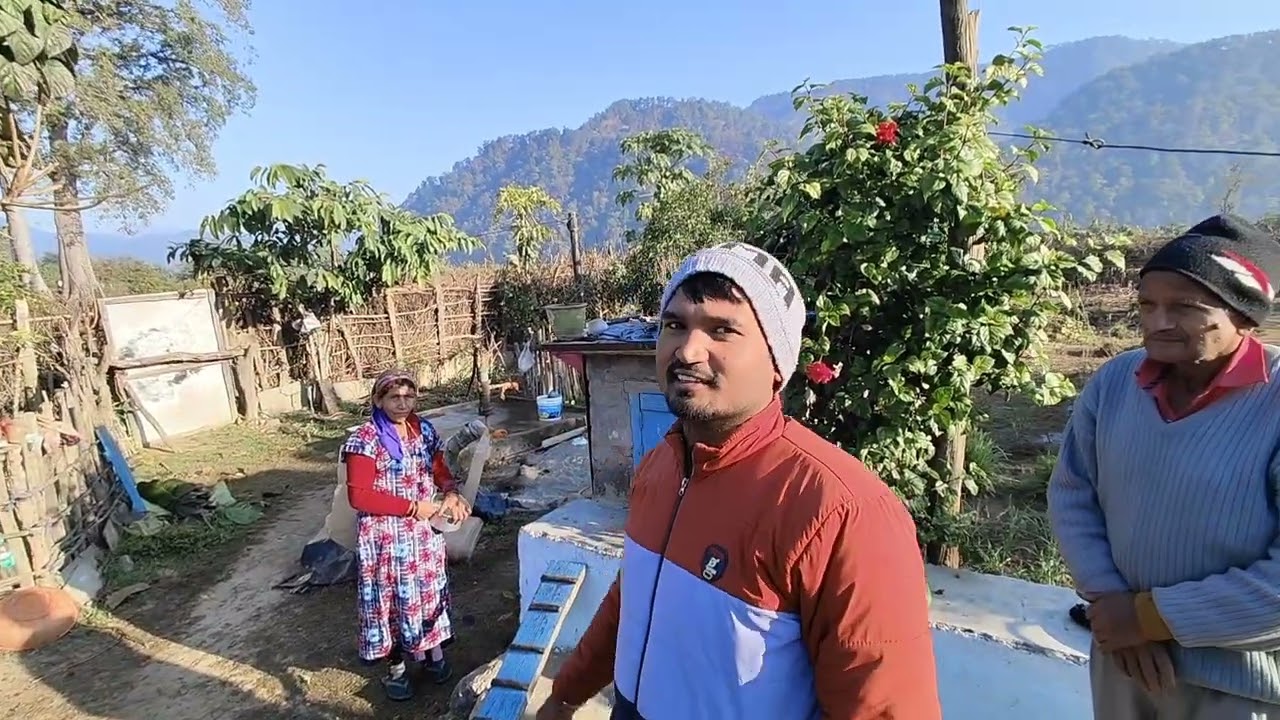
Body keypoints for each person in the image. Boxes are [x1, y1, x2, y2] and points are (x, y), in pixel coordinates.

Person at [534, 242, 940, 720]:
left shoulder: (841, 511)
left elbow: (882, 708)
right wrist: (565, 695)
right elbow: (632, 599)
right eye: (674, 325)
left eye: (722, 329)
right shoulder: (660, 466)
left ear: (776, 363)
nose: (687, 350)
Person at [1048, 213, 1280, 719]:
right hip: (1122, 663)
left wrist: (1149, 618)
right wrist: (1113, 609)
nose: (1158, 323)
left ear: (1244, 316)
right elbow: (1072, 495)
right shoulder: (1115, 384)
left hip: (1241, 690)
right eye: (1147, 305)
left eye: (1185, 307)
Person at [341, 368, 471, 701]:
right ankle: (397, 671)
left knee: (428, 595)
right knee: (394, 602)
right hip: (385, 537)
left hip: (423, 535)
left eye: (409, 396)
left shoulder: (422, 431)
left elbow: (439, 469)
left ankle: (435, 659)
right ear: (378, 399)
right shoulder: (365, 439)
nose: (402, 403)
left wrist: (451, 492)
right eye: (394, 397)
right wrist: (415, 508)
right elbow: (360, 496)